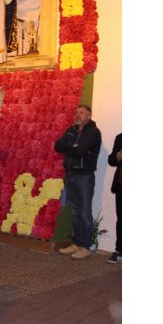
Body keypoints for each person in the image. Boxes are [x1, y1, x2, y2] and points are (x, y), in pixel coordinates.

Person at [54, 104, 102, 261]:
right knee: (74, 211)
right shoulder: (71, 130)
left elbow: (81, 150)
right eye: (76, 112)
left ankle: (85, 246)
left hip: (84, 177)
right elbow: (57, 145)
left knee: (84, 212)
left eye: (81, 113)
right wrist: (72, 146)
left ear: (89, 116)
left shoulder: (94, 132)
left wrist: (72, 147)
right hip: (70, 175)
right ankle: (76, 243)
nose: (77, 115)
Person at [107, 133, 121, 263]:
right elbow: (111, 160)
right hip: (121, 184)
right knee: (121, 219)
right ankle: (119, 251)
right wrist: (117, 156)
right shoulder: (120, 137)